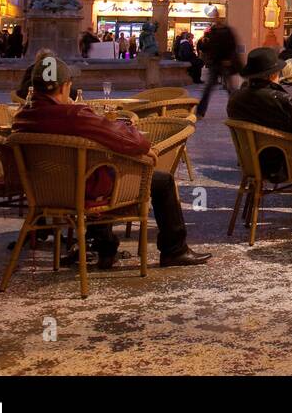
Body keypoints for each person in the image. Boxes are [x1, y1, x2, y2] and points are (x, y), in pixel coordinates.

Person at [12, 56, 210, 268]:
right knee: (162, 181)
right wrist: (144, 147)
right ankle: (175, 250)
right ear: (64, 87)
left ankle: (103, 246)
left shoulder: (22, 117)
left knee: (101, 169)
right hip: (85, 191)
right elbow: (121, 136)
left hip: (44, 191)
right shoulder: (74, 114)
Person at [195, 21, 242, 118]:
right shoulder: (220, 32)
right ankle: (237, 110)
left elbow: (228, 47)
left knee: (217, 88)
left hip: (219, 63)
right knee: (229, 88)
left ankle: (200, 111)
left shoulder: (219, 33)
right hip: (219, 63)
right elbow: (231, 46)